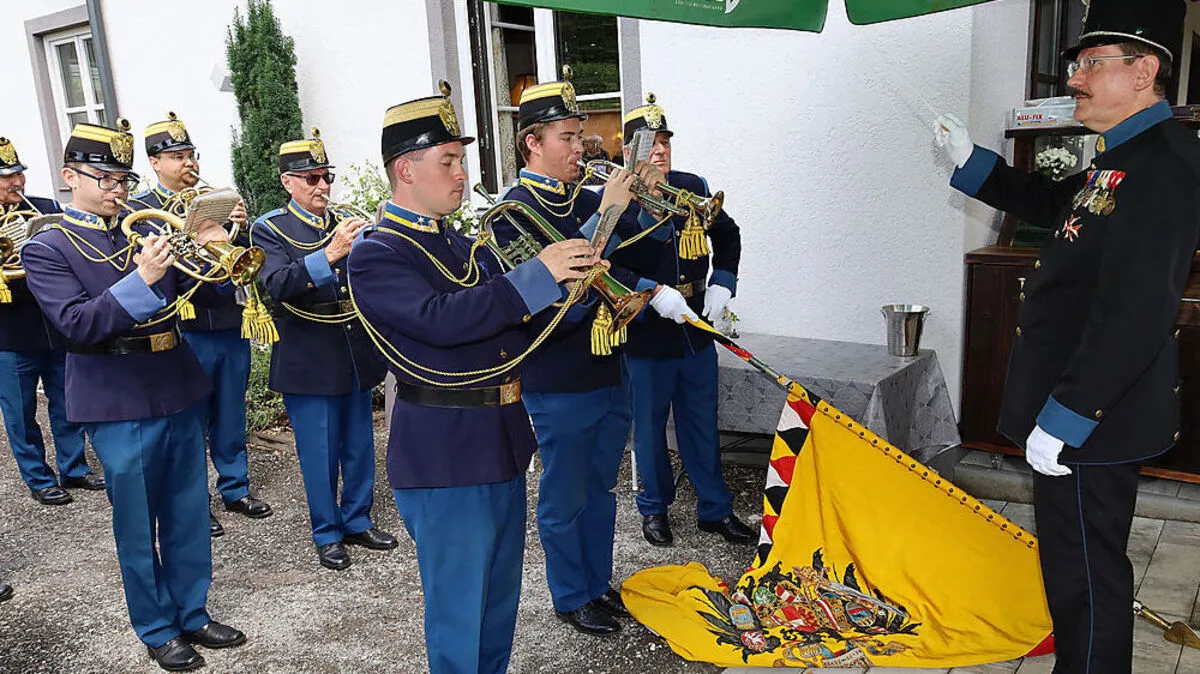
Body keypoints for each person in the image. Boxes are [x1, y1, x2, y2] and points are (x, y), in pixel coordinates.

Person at [935, 1, 1198, 671]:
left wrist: (1070, 414)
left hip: (1097, 415)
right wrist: (974, 165)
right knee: (1076, 566)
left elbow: (1138, 308)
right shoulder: (1123, 156)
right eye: (1075, 65)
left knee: (1086, 575)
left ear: (1145, 71)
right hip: (1086, 405)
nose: (1074, 79)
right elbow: (1059, 205)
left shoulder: (1165, 164)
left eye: (1090, 65)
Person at [349, 82, 599, 674]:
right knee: (460, 616)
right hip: (445, 450)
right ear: (406, 169)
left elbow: (509, 327)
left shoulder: (462, 243)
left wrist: (569, 289)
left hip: (498, 441)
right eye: (449, 161)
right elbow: (441, 321)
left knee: (496, 609)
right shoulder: (377, 252)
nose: (463, 173)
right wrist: (537, 277)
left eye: (461, 160)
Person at [22, 120, 246, 672]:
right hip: (115, 395)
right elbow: (76, 324)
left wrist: (217, 249)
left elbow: (209, 287)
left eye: (123, 178)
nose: (118, 189)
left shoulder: (141, 230)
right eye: (105, 178)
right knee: (138, 521)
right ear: (70, 177)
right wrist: (141, 278)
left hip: (175, 381)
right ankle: (156, 627)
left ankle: (192, 611)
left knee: (188, 511)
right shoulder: (47, 247)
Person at [496, 72, 692, 637]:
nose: (579, 146)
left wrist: (651, 198)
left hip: (609, 362)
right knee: (564, 491)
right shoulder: (513, 210)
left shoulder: (580, 194)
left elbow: (647, 243)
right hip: (557, 372)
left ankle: (596, 583)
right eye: (565, 136)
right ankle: (569, 593)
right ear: (532, 141)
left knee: (601, 486)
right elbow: (548, 281)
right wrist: (604, 211)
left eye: (580, 133)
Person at [609, 94, 756, 548]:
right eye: (650, 143)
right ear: (629, 152)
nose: (660, 151)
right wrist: (650, 291)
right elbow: (605, 263)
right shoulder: (614, 200)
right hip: (647, 334)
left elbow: (727, 233)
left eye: (666, 141)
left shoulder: (692, 184)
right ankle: (654, 508)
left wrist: (723, 283)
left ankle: (715, 508)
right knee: (650, 429)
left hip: (694, 330)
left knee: (700, 423)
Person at [251, 129, 396, 571]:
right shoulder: (270, 228)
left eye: (325, 177)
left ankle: (357, 519)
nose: (321, 187)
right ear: (287, 182)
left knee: (358, 445)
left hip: (350, 347)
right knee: (319, 452)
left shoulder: (344, 219)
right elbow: (274, 286)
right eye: (310, 178)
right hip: (308, 354)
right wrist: (328, 254)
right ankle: (326, 531)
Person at [128, 113, 272, 538]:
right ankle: (196, 501)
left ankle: (235, 486)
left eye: (190, 154)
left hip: (227, 318)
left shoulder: (215, 197)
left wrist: (237, 231)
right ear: (155, 162)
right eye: (176, 156)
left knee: (231, 410)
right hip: (185, 324)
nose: (187, 162)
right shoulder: (142, 210)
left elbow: (242, 261)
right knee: (189, 420)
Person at [0, 136, 101, 506]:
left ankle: (74, 468)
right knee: (20, 413)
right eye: (6, 177)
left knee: (66, 401)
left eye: (18, 174)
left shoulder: (44, 208)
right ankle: (38, 477)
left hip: (55, 326)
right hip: (9, 334)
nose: (16, 182)